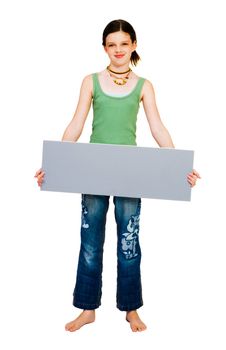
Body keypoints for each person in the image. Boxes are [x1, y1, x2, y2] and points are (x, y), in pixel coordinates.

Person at [35, 19, 201, 332]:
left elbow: (157, 128)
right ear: (104, 48)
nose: (118, 50)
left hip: (130, 173)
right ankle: (87, 308)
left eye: (124, 43)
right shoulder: (91, 81)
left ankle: (131, 309)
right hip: (92, 171)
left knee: (129, 242)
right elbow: (76, 124)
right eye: (112, 44)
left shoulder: (144, 86)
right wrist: (53, 164)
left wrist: (181, 166)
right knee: (90, 242)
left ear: (133, 45)